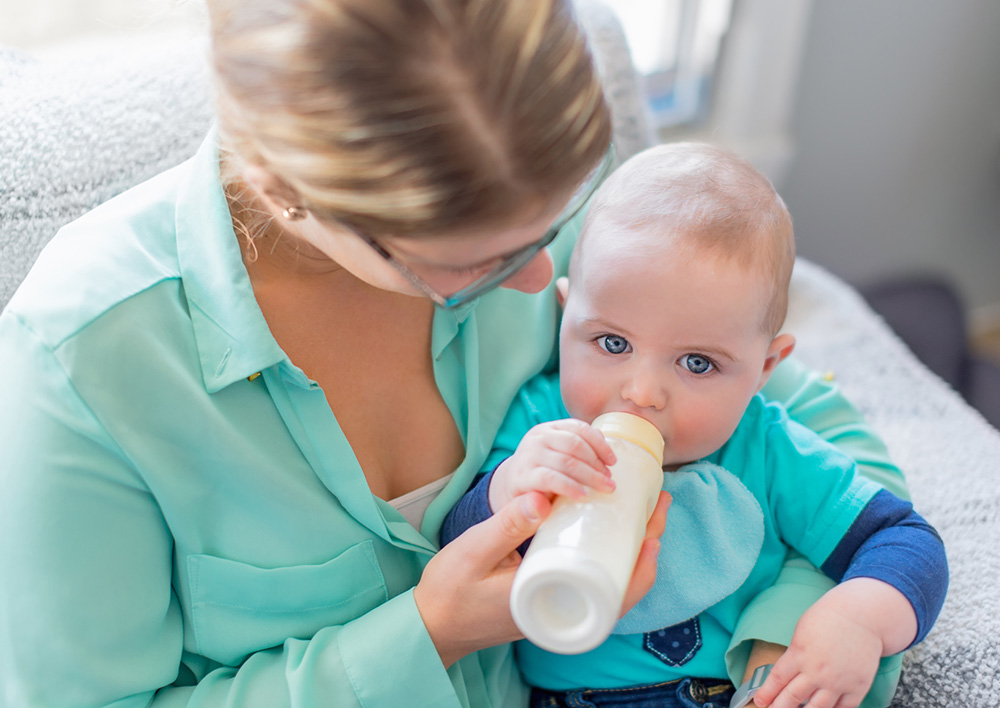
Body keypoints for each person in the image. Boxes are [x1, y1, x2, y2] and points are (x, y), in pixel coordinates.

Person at [0, 1, 906, 706]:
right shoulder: (89, 362)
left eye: (553, 228)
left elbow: (808, 429)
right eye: (473, 265)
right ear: (284, 192)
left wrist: (798, 635)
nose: (542, 286)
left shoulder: (547, 177)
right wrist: (428, 633)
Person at [441, 142, 948, 708]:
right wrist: (507, 490)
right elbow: (456, 547)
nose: (642, 392)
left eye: (697, 363)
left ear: (764, 369)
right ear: (565, 317)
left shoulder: (766, 449)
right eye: (612, 343)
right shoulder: (543, 425)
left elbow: (904, 540)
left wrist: (857, 619)